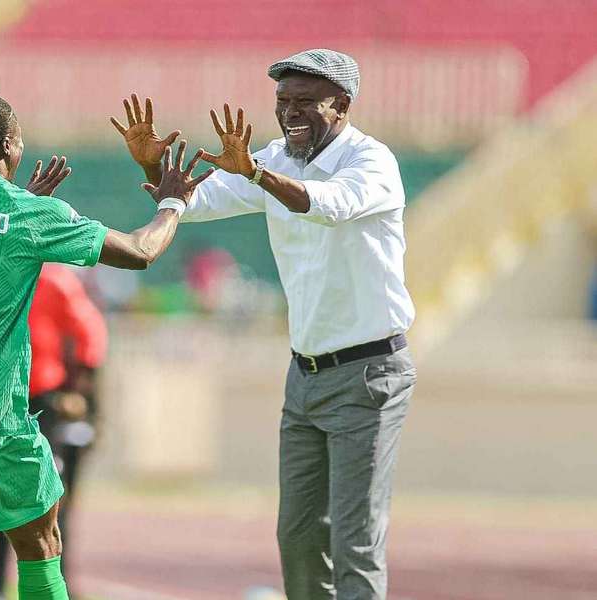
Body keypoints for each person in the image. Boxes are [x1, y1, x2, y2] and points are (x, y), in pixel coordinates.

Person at [111, 49, 416, 600]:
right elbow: (194, 201)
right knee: (298, 538)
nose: (290, 112)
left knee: (356, 541)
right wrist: (154, 169)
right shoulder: (279, 159)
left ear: (342, 105)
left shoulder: (371, 162)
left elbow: (327, 205)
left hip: (369, 373)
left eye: (305, 102)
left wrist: (255, 171)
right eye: (282, 102)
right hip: (305, 375)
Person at [0, 92, 211, 600]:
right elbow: (139, 251)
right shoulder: (26, 215)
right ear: (10, 143)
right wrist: (173, 202)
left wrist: (28, 207)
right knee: (41, 541)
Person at [0, 263, 107, 600]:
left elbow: (91, 336)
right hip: (15, 398)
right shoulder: (27, 277)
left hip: (38, 400)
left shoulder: (47, 279)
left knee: (40, 493)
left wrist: (80, 393)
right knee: (22, 492)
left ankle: (36, 583)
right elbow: (91, 335)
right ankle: (2, 583)